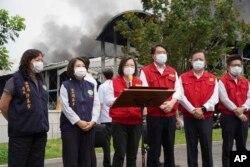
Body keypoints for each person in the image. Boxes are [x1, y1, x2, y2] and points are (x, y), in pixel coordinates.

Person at [0, 49, 49, 167]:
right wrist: (15, 121)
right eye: (37, 60)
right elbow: (3, 106)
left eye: (42, 60)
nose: (40, 62)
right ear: (27, 61)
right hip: (21, 135)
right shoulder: (14, 81)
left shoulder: (42, 81)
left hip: (40, 134)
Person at [140, 44, 181, 167]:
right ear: (153, 55)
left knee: (169, 148)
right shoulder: (145, 71)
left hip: (170, 115)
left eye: (164, 52)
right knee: (154, 148)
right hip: (154, 115)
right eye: (159, 52)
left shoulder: (172, 71)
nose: (162, 54)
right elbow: (145, 91)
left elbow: (178, 90)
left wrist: (172, 102)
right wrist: (160, 103)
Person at [178, 50, 218, 167]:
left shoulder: (212, 78)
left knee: (207, 148)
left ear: (205, 62)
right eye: (196, 59)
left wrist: (203, 109)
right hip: (189, 118)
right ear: (191, 61)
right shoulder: (183, 77)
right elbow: (181, 97)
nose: (198, 61)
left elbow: (215, 98)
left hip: (206, 118)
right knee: (191, 149)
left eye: (201, 59)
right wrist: (193, 110)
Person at [60, 57, 100, 167]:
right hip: (70, 128)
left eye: (83, 66)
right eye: (78, 66)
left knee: (86, 159)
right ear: (72, 69)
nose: (81, 68)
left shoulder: (91, 85)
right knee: (71, 159)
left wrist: (93, 121)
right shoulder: (65, 85)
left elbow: (96, 105)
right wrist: (78, 121)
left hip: (88, 127)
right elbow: (65, 107)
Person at [105, 56, 142, 167]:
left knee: (132, 154)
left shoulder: (139, 82)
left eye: (132, 65)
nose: (129, 67)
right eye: (126, 65)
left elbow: (144, 98)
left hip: (136, 122)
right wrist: (123, 97)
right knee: (120, 153)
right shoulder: (113, 82)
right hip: (119, 122)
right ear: (121, 67)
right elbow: (107, 101)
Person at [218, 54, 250, 167]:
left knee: (242, 146)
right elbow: (224, 99)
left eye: (239, 65)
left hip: (244, 117)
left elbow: (249, 98)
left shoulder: (245, 81)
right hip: (228, 117)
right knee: (228, 146)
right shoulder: (222, 81)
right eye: (234, 65)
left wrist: (243, 108)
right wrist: (237, 111)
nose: (237, 67)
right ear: (228, 67)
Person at [98, 68, 114, 167]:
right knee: (118, 142)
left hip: (105, 118)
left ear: (103, 76)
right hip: (116, 118)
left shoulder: (102, 87)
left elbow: (100, 103)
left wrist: (97, 119)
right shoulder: (115, 85)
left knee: (106, 142)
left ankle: (107, 163)